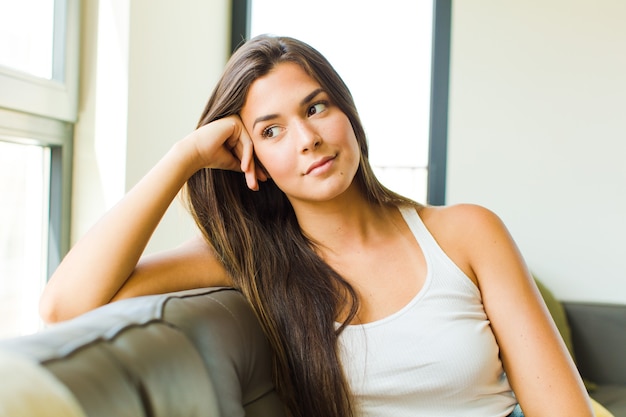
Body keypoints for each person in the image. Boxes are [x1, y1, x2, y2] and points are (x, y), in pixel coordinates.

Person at [39, 35, 593, 417]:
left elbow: (562, 409)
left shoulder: (468, 232)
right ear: (249, 155)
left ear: (346, 113)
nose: (307, 138)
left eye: (316, 107)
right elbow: (67, 305)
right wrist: (184, 156)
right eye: (272, 131)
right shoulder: (250, 260)